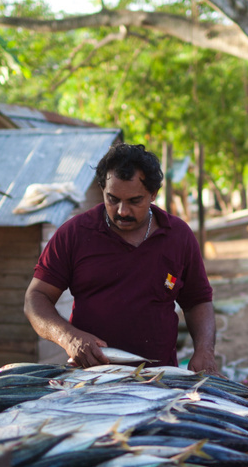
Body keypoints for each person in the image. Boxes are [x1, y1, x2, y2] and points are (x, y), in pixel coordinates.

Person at [24, 142, 219, 374]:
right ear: (102, 190)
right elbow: (35, 298)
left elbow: (198, 301)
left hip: (157, 378)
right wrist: (69, 338)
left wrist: (205, 351)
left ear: (153, 195)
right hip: (91, 376)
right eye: (112, 199)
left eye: (135, 201)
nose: (122, 211)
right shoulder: (74, 233)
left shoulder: (178, 236)